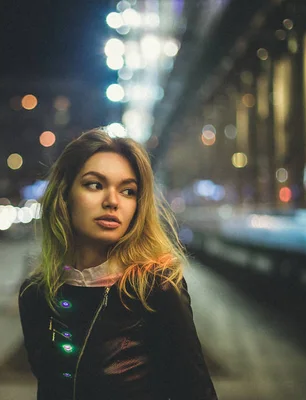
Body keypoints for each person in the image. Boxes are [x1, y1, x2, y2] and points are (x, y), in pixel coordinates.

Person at [19, 128, 218, 400]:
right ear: (65, 195)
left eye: (127, 191)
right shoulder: (36, 294)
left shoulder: (153, 289)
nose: (112, 201)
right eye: (95, 185)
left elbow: (196, 391)